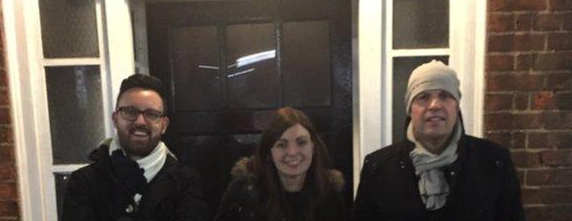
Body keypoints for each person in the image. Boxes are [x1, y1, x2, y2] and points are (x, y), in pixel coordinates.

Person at [351, 60, 525, 220]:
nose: (435, 105)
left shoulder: (494, 162)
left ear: (456, 106)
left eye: (445, 95)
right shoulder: (379, 168)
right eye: (423, 97)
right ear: (410, 109)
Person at [62, 73, 208, 221]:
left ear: (164, 125)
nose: (140, 122)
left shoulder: (186, 183)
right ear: (115, 119)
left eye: (152, 114)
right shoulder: (83, 182)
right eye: (130, 112)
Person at [214, 107, 346, 221]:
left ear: (313, 147)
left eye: (301, 142)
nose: (292, 152)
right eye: (282, 145)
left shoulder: (329, 193)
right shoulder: (243, 191)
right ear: (269, 152)